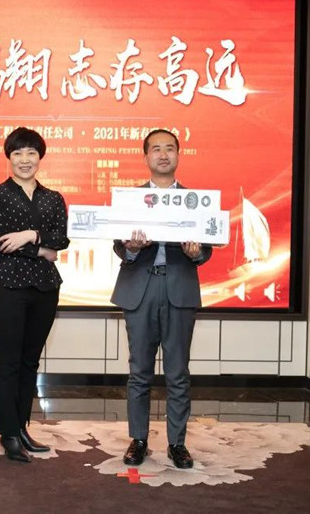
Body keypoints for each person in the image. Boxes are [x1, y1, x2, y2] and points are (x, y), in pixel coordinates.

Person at [110, 129, 212, 469]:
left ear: (179, 155)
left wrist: (196, 253)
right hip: (140, 288)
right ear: (146, 157)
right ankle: (138, 439)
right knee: (139, 370)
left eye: (170, 148)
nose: (163, 154)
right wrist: (131, 248)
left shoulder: (195, 200)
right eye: (156, 149)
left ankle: (177, 444)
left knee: (177, 371)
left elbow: (206, 248)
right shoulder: (131, 199)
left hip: (179, 287)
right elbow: (118, 245)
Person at [0, 127, 70, 463]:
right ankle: (8, 433)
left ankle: (21, 427)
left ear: (40, 157)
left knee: (30, 361)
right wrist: (42, 250)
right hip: (9, 287)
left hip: (45, 288)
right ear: (9, 157)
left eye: (31, 153)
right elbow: (0, 240)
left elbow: (61, 240)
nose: (25, 159)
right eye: (18, 153)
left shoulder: (53, 198)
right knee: (9, 362)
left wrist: (30, 235)